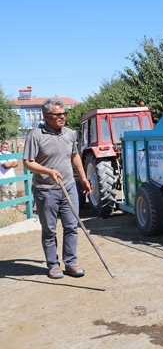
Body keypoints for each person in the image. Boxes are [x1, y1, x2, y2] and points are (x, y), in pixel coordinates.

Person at [23, 98, 92, 279]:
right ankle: (53, 265)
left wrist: (83, 178)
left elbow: (75, 156)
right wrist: (48, 171)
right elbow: (28, 163)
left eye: (64, 113)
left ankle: (70, 263)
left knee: (71, 226)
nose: (63, 117)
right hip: (46, 190)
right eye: (58, 114)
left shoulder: (69, 134)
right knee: (50, 230)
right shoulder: (35, 135)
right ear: (47, 116)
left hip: (69, 187)